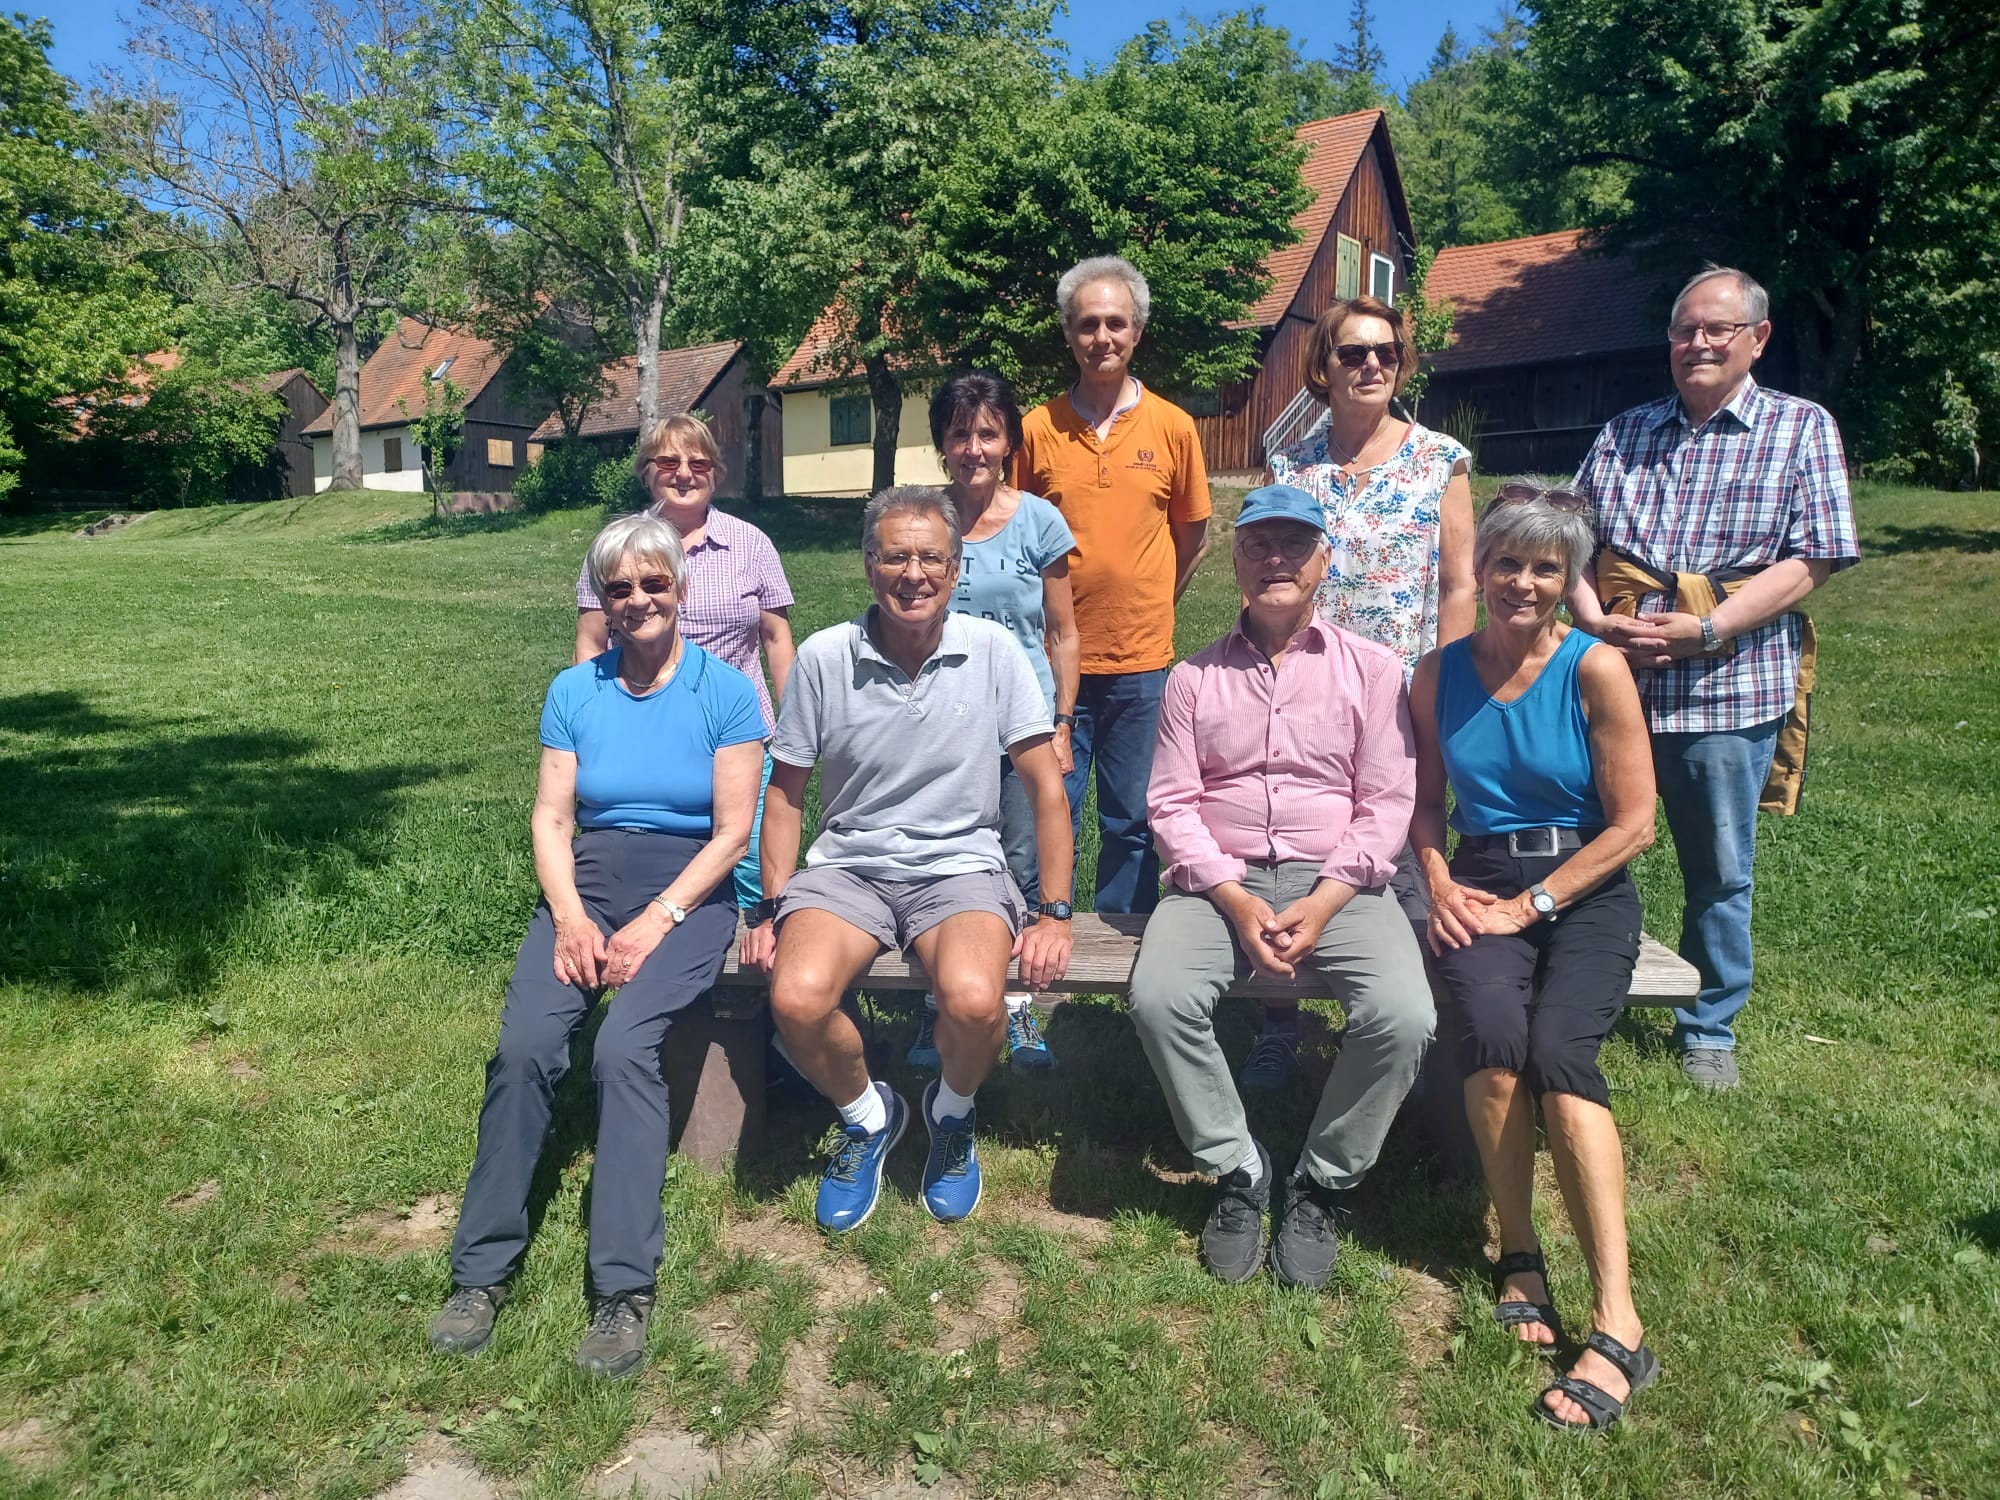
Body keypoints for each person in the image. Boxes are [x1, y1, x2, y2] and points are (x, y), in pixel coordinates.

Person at [431, 513, 765, 1378]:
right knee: (526, 1048)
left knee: (621, 1051)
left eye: (654, 583)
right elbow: (550, 816)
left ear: (681, 591)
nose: (638, 599)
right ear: (603, 600)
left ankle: (622, 1291)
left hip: (688, 892)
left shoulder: (726, 691)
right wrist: (573, 917)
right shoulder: (574, 690)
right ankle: (481, 1272)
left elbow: (734, 833)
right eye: (620, 587)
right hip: (588, 881)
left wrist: (658, 919)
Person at [741, 487, 1076, 1232]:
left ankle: (951, 1115)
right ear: (868, 565)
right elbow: (787, 792)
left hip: (960, 866)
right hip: (848, 868)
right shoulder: (826, 657)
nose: (913, 573)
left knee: (975, 1001)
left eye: (931, 557)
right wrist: (768, 907)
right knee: (794, 997)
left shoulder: (993, 651)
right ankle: (869, 1117)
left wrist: (1054, 911)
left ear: (956, 570)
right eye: (895, 555)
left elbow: (1046, 791)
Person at [1128, 484, 1433, 1290]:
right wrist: (1232, 896)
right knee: (1159, 997)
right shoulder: (1192, 679)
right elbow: (1171, 802)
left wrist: (1326, 898)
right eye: (1260, 543)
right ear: (1235, 559)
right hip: (1214, 883)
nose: (1276, 560)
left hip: (1338, 881)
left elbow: (1387, 803)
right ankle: (1237, 1168)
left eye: (1295, 545)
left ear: (1325, 562)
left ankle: (1322, 1181)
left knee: (1403, 1016)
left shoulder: (1372, 671)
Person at [1570, 265, 1859, 1091]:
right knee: (1585, 846)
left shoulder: (1801, 428)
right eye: (1683, 330)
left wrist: (1708, 629)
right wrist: (1594, 619)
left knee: (1720, 867)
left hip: (1729, 684)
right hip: (1613, 682)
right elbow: (1569, 541)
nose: (1696, 343)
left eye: (1716, 329)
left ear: (1757, 339)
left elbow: (1816, 555)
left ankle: (1709, 1026)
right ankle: (1577, 998)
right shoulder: (1626, 431)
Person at [1409, 482, 1660, 1431]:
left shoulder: (1596, 669)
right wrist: (1437, 879)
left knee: (1563, 1060)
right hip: (1477, 876)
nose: (1522, 580)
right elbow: (1427, 804)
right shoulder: (1436, 674)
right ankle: (1519, 1249)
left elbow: (1635, 825)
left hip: (1584, 883)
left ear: (1569, 581)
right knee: (1493, 1036)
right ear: (1480, 571)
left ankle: (1619, 1319)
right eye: (1507, 562)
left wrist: (1536, 903)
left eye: (1545, 567)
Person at [1243, 294, 1477, 1091]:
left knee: (1397, 847)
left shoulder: (1440, 459)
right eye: (1353, 352)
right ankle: (1280, 1019)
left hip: (1402, 690)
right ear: (1325, 366)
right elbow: (1267, 570)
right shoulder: (1293, 466)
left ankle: (1394, 1024)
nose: (1371, 364)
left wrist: (1451, 682)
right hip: (1302, 685)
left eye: (1386, 352)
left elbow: (1458, 586)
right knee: (1295, 842)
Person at [1013, 255, 1211, 915]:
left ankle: (1122, 953)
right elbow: (1014, 534)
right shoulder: (1036, 430)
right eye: (1088, 323)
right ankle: (1046, 934)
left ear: (1137, 333)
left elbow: (1193, 535)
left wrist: (1152, 601)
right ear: (1068, 333)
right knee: (1053, 805)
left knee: (1133, 815)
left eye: (1116, 323)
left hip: (1141, 662)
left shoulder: (1175, 428)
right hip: (1050, 664)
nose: (1103, 337)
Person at [905, 371, 1080, 1073]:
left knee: (1017, 860)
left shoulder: (1040, 520)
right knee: (935, 860)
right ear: (941, 443)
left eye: (987, 433)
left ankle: (1013, 1005)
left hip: (1021, 719)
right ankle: (932, 1005)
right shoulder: (922, 519)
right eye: (959, 433)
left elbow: (1063, 633)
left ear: (1008, 439)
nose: (973, 447)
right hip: (937, 718)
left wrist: (1062, 721)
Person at [574, 414, 795, 913]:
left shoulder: (751, 544)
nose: (684, 473)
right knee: (665, 856)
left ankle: (749, 979)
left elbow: (777, 638)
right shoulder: (614, 548)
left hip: (741, 733)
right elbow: (590, 643)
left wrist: (795, 725)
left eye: (698, 462)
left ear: (715, 472)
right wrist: (588, 726)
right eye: (668, 461)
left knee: (750, 860)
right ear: (647, 471)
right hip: (645, 726)